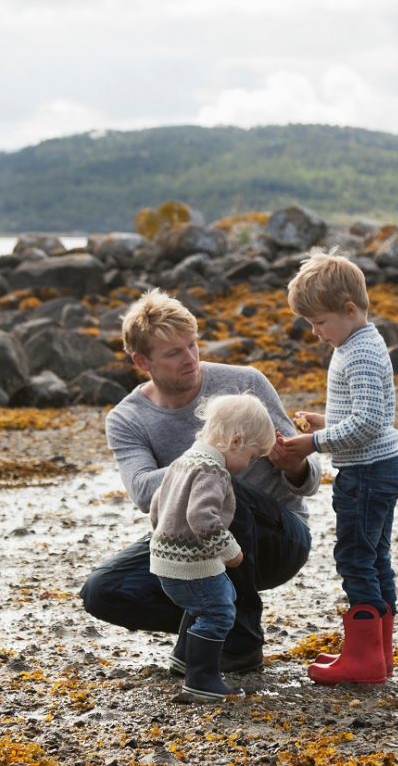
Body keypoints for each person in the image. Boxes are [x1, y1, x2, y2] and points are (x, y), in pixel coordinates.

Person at [80, 288, 321, 678]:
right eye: (174, 353)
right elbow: (143, 492)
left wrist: (294, 464)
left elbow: (308, 483)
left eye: (192, 345)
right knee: (103, 591)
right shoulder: (128, 418)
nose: (190, 359)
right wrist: (209, 454)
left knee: (220, 487)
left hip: (279, 538)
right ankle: (210, 629)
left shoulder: (245, 384)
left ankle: (242, 644)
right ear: (142, 361)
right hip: (192, 539)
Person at [273, 251, 398, 685]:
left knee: (355, 560)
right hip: (380, 467)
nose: (314, 333)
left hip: (367, 475)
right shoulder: (361, 342)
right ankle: (377, 653)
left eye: (319, 322)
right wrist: (326, 423)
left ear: (349, 310)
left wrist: (311, 443)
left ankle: (365, 660)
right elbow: (371, 415)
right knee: (375, 558)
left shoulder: (358, 353)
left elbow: (367, 424)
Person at [150, 393, 276, 702]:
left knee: (212, 601)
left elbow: (156, 504)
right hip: (191, 563)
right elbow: (201, 516)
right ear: (236, 441)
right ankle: (202, 679)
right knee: (219, 612)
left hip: (166, 559)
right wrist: (229, 550)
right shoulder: (212, 470)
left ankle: (184, 657)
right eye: (253, 456)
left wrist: (162, 536)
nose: (250, 465)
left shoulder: (184, 461)